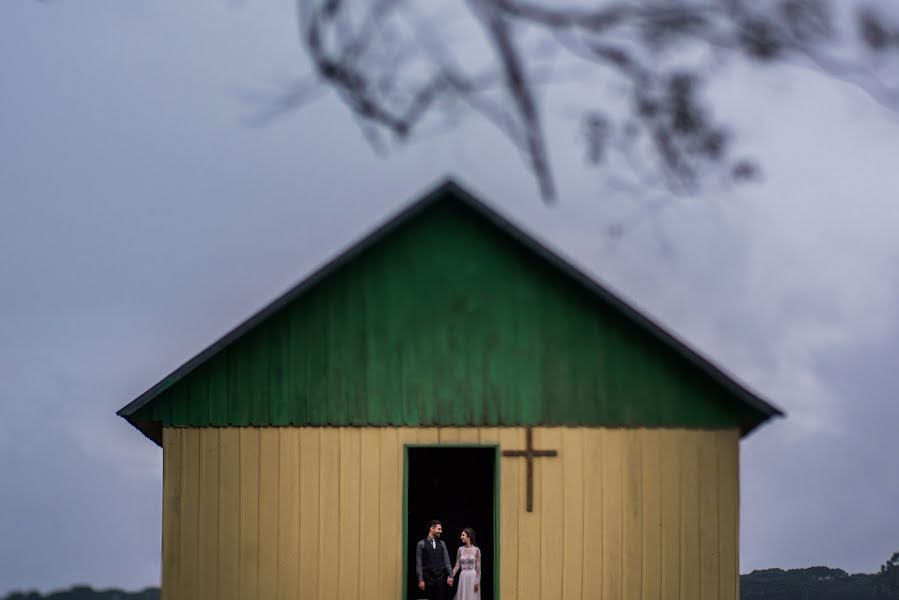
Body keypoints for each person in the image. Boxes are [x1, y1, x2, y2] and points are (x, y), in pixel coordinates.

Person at [415, 519, 454, 600]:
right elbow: (419, 563)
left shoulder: (442, 543)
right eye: (439, 529)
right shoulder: (421, 543)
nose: (441, 531)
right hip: (426, 578)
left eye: (441, 529)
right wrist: (420, 580)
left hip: (440, 578)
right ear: (432, 529)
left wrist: (451, 575)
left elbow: (446, 561)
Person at [452, 527, 482, 600]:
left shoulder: (476, 550)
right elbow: (457, 566)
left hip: (473, 576)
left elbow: (478, 567)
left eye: (463, 535)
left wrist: (477, 581)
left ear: (468, 536)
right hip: (463, 577)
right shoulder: (460, 549)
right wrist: (451, 575)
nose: (461, 537)